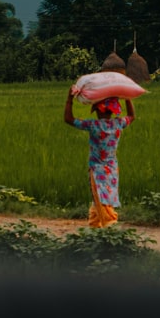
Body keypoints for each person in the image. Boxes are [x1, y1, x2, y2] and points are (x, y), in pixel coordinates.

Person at [64, 87, 136, 228]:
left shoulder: (93, 125)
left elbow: (68, 119)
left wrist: (69, 98)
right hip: (113, 170)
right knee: (100, 201)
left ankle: (111, 231)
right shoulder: (118, 124)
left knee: (102, 202)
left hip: (97, 172)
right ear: (112, 110)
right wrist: (127, 97)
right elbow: (132, 116)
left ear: (97, 110)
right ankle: (94, 229)